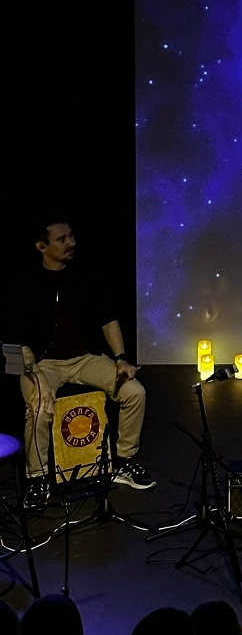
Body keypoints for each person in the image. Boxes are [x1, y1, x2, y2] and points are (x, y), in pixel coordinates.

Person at [10, 217, 155, 510]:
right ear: (42, 246)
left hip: (85, 359)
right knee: (39, 406)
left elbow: (108, 319)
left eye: (71, 236)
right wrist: (37, 376)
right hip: (43, 364)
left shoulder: (85, 274)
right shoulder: (25, 282)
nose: (71, 243)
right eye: (62, 239)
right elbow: (18, 340)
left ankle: (124, 461)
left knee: (134, 392)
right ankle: (37, 478)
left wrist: (121, 359)